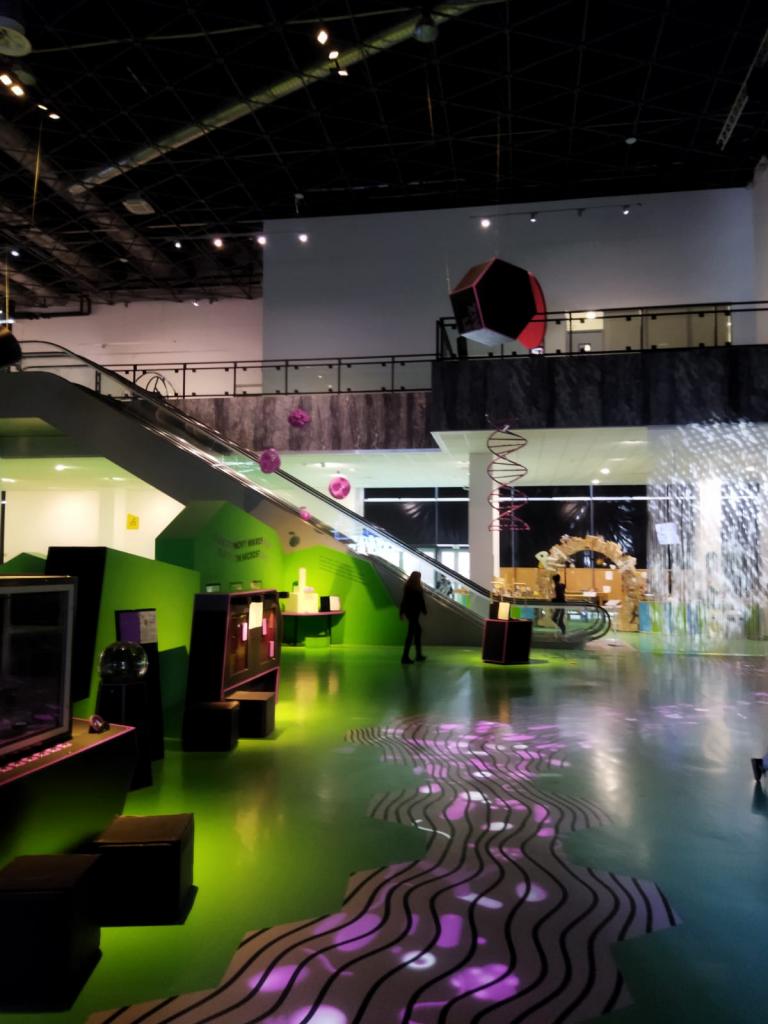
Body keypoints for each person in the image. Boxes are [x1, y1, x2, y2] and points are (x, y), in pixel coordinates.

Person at [400, 571, 427, 664]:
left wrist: (402, 612)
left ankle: (417, 655)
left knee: (416, 631)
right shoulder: (415, 588)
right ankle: (406, 657)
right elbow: (420, 600)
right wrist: (424, 610)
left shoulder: (409, 587)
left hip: (410, 612)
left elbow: (404, 600)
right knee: (412, 633)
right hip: (413, 613)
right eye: (419, 577)